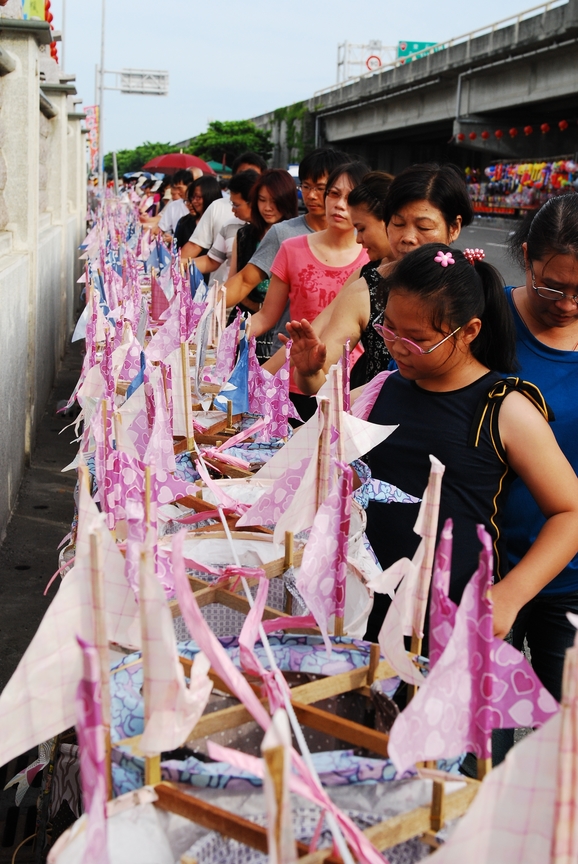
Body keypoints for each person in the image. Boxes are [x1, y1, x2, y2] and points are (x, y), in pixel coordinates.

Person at [349, 243, 578, 658]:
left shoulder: (505, 406)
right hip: (368, 602)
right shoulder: (381, 387)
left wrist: (511, 595)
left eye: (418, 339)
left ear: (468, 331)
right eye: (389, 329)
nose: (399, 347)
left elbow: (571, 512)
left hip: (459, 620)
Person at [286, 163, 473, 392]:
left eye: (423, 227)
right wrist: (309, 372)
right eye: (398, 224)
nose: (408, 237)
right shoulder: (365, 290)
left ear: (454, 227)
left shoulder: (473, 287)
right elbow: (317, 383)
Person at [498, 194, 578, 703]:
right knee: (478, 748)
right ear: (526, 257)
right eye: (552, 285)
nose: (567, 304)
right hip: (485, 569)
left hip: (571, 573)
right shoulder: (483, 320)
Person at [249, 161, 370, 420]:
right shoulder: (292, 248)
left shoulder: (372, 261)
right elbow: (266, 316)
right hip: (291, 381)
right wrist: (228, 336)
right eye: (334, 194)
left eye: (350, 198)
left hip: (349, 390)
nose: (339, 204)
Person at [224, 147, 352, 353]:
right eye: (306, 186)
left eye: (320, 188)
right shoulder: (285, 234)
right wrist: (206, 313)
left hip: (344, 364)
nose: (311, 195)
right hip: (286, 357)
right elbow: (245, 281)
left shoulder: (363, 242)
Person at [230, 168, 299, 361]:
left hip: (279, 326)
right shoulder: (244, 235)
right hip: (245, 319)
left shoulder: (297, 236)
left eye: (275, 201)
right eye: (262, 200)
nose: (268, 207)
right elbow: (237, 280)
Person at [180, 153, 266, 266]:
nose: (233, 210)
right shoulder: (221, 212)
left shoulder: (272, 227)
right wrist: (175, 266)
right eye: (243, 174)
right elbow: (209, 257)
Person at [193, 170, 259, 276]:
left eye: (236, 205)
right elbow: (212, 261)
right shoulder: (230, 226)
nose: (233, 210)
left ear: (252, 202)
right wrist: (182, 265)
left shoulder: (270, 231)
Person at [174, 175, 222, 251]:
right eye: (192, 197)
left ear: (209, 196)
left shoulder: (222, 223)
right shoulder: (184, 223)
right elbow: (177, 252)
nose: (193, 201)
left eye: (198, 197)